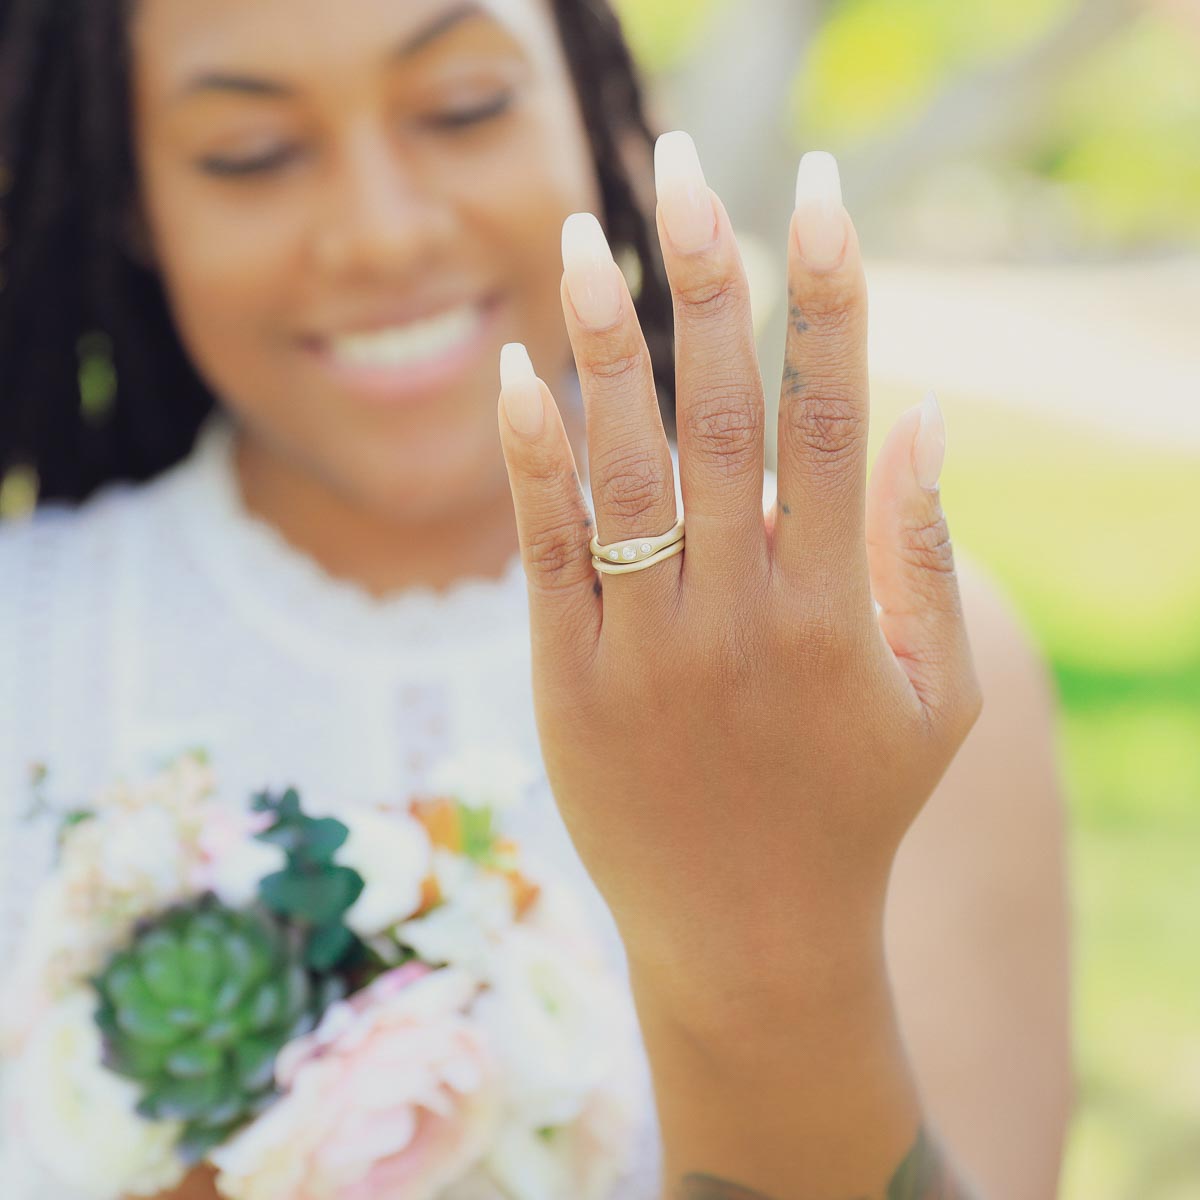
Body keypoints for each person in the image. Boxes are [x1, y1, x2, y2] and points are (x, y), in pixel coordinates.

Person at [0, 0, 1073, 1197]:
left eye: (465, 108)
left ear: (592, 101)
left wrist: (771, 951)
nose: (384, 234)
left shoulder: (898, 659)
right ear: (132, 196)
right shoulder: (26, 649)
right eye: (250, 155)